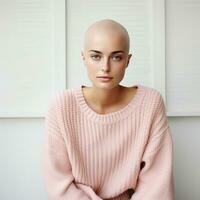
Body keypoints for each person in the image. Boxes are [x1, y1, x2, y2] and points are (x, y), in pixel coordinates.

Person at [41, 19, 174, 200]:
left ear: (127, 60)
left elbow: (156, 185)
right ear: (84, 58)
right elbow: (58, 185)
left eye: (116, 57)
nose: (105, 67)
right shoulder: (61, 106)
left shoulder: (150, 104)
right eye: (96, 56)